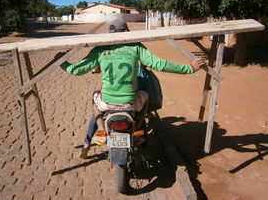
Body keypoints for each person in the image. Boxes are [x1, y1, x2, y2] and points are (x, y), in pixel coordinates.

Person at [55, 19, 206, 159]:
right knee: (145, 96)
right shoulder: (135, 47)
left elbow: (77, 70)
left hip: (107, 102)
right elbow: (159, 64)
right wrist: (189, 68)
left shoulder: (100, 49)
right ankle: (138, 127)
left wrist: (61, 61)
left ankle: (100, 130)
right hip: (130, 103)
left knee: (95, 104)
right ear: (127, 31)